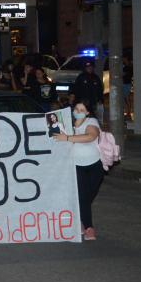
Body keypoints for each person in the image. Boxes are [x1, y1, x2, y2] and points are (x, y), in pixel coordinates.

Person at [52, 101, 104, 241]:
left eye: (82, 109)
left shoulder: (91, 121)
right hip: (76, 166)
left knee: (87, 197)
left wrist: (68, 138)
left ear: (87, 112)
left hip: (94, 166)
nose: (78, 111)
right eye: (76, 108)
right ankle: (89, 228)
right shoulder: (67, 124)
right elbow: (55, 140)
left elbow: (90, 137)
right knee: (83, 198)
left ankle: (80, 220)